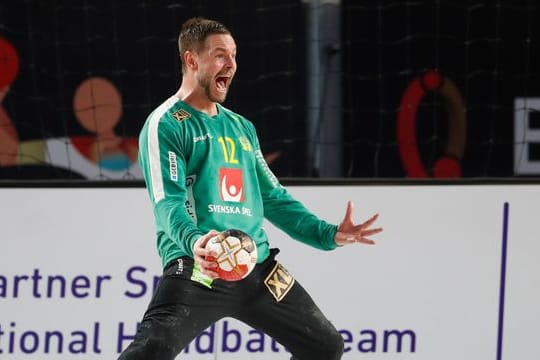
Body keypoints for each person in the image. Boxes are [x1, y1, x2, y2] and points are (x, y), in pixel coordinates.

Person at [119, 17, 382, 360]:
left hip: (255, 267)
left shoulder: (241, 128)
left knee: (325, 345)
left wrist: (327, 234)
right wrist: (196, 241)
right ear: (191, 60)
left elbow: (272, 197)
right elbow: (167, 203)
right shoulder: (166, 123)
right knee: (151, 349)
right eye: (219, 55)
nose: (231, 64)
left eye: (234, 55)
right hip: (200, 267)